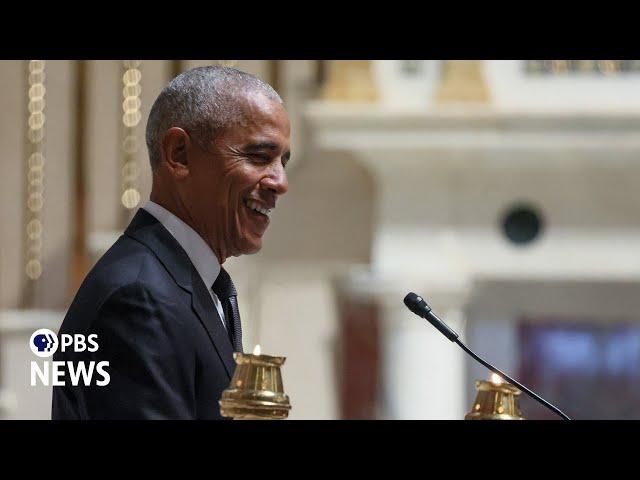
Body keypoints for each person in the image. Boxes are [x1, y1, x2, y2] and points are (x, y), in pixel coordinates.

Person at [52, 66, 291, 419]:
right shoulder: (138, 297)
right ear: (179, 154)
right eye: (259, 156)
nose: (280, 182)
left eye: (283, 162)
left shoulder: (190, 282)